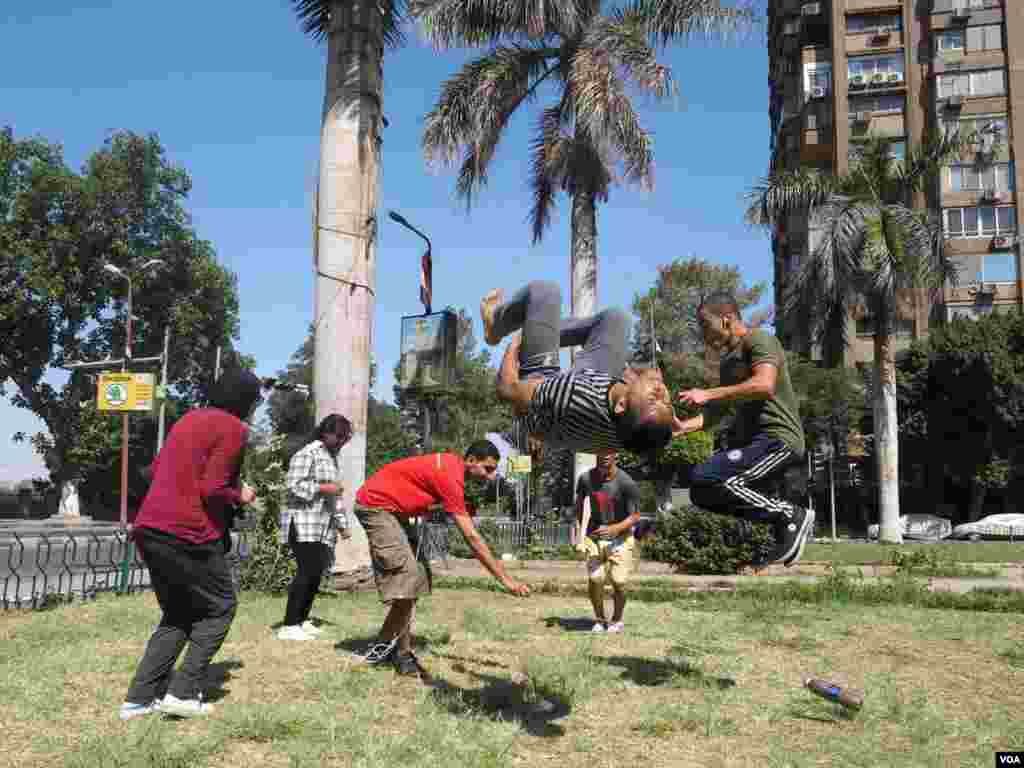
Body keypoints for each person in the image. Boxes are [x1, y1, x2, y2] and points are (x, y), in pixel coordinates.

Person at [120, 368, 263, 720]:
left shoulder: (188, 419)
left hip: (150, 527)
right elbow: (213, 489)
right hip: (188, 531)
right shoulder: (233, 428)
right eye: (255, 400)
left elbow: (155, 472)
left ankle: (139, 699)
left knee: (179, 613)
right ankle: (183, 693)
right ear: (245, 401)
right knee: (219, 607)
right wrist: (241, 495)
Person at [353, 440, 530, 677]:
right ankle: (388, 651)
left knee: (417, 578)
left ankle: (397, 650)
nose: (490, 476)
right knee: (407, 578)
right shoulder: (449, 475)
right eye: (487, 469)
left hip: (396, 512)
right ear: (471, 461)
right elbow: (472, 537)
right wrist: (505, 580)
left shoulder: (450, 468)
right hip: (376, 507)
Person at [675, 291, 813, 566]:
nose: (705, 335)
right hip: (756, 445)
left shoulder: (759, 340)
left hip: (778, 438)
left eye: (706, 325)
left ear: (726, 320)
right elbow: (714, 415)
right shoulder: (729, 364)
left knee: (710, 476)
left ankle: (790, 515)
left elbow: (764, 384)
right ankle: (777, 530)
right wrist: (679, 428)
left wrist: (709, 393)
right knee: (701, 489)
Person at [480, 281, 675, 458]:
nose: (661, 391)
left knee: (545, 292)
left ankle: (494, 326)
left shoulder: (575, 393)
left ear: (622, 405)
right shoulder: (636, 433)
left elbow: (507, 390)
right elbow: (659, 419)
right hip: (587, 409)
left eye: (653, 398)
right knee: (616, 319)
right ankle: (538, 329)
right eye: (667, 401)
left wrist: (514, 345)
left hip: (539, 402)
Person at [276, 414, 352, 641]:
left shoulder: (331, 458)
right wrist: (323, 488)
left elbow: (335, 494)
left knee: (316, 573)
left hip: (321, 525)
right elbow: (292, 486)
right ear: (325, 432)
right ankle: (289, 625)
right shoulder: (308, 453)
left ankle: (301, 619)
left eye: (345, 438)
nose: (341, 441)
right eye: (338, 436)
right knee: (306, 571)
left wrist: (342, 524)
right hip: (301, 522)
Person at [575, 453, 641, 633]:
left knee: (619, 581)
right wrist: (582, 536)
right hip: (594, 539)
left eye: (609, 450)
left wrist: (615, 528)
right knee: (595, 579)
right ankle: (599, 619)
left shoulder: (626, 482)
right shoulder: (585, 479)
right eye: (600, 449)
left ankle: (617, 619)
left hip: (620, 538)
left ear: (616, 454)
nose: (604, 454)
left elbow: (635, 515)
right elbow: (579, 508)